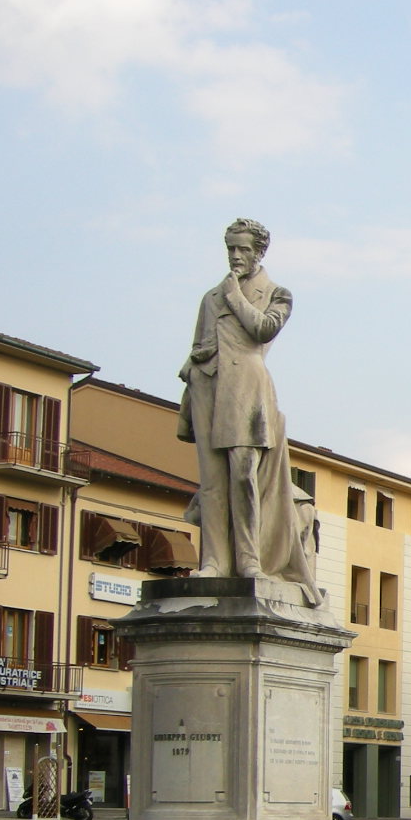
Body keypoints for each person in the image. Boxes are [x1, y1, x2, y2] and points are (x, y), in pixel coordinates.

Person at [178, 218, 319, 602]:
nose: (235, 256)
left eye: (242, 249)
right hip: (210, 386)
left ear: (259, 252)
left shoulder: (277, 293)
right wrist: (196, 363)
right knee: (212, 481)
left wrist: (234, 297)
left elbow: (263, 330)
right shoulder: (210, 298)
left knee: (243, 475)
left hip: (248, 389)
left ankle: (249, 560)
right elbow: (199, 343)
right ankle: (214, 562)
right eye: (231, 249)